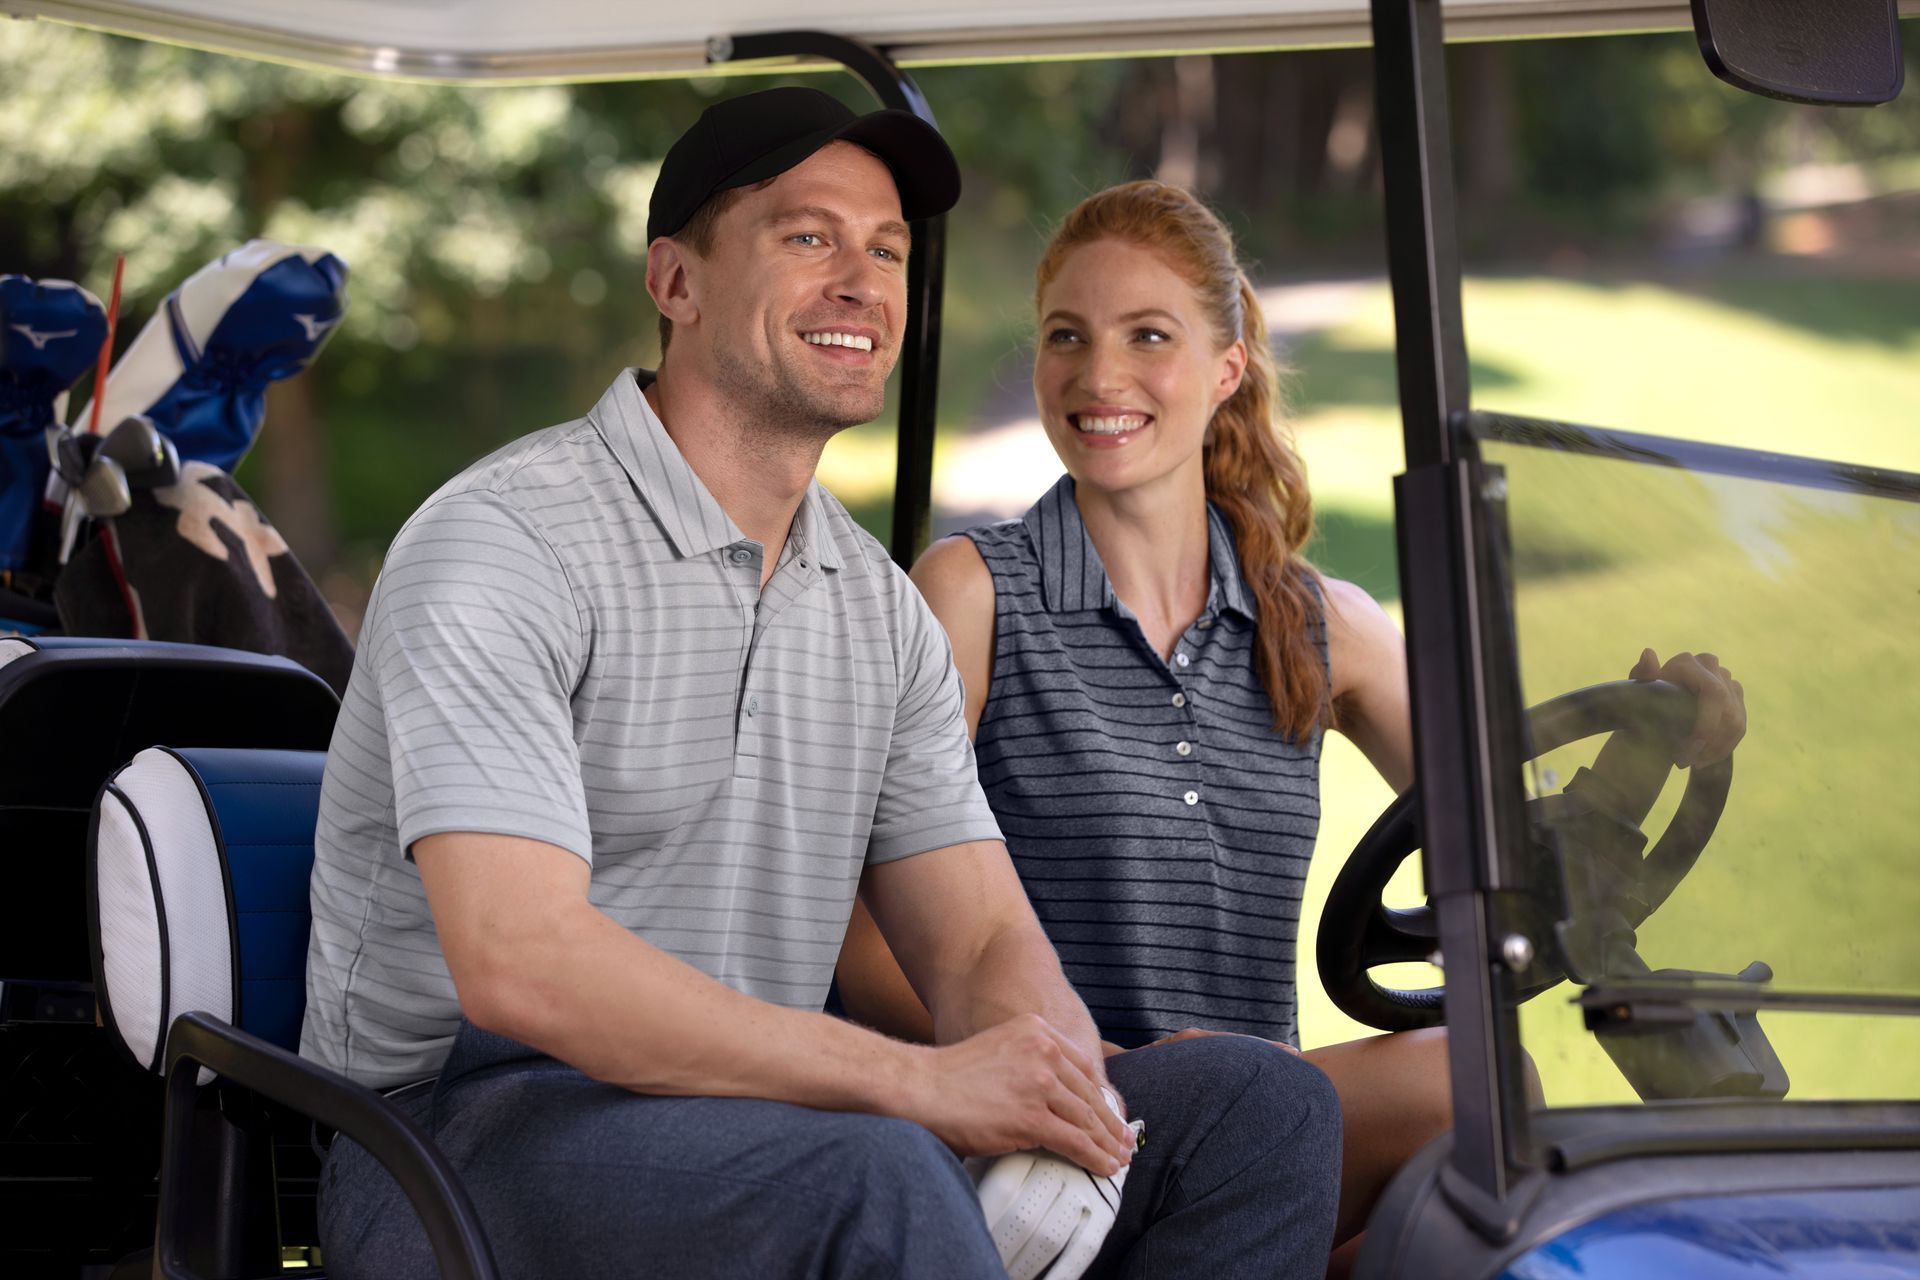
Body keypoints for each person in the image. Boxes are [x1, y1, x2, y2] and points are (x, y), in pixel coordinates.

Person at [303, 96, 1341, 1279]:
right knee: (874, 1169)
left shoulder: (872, 604)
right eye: (807, 238)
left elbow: (980, 937)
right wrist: (916, 1080)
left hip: (762, 1118)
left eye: (886, 249)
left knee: (1259, 1107)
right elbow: (521, 960)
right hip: (459, 1134)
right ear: (676, 282)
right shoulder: (505, 543)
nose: (861, 279)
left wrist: (1058, 1076)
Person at [835, 179, 1748, 1272]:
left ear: (1225, 368)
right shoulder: (976, 594)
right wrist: (1083, 1055)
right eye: (1066, 336)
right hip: (1044, 1119)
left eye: (1148, 336)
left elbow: (1517, 854)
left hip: (1261, 1130)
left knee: (1474, 1139)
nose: (1098, 375)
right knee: (1443, 1083)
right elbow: (859, 939)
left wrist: (1653, 744)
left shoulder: (1320, 624)